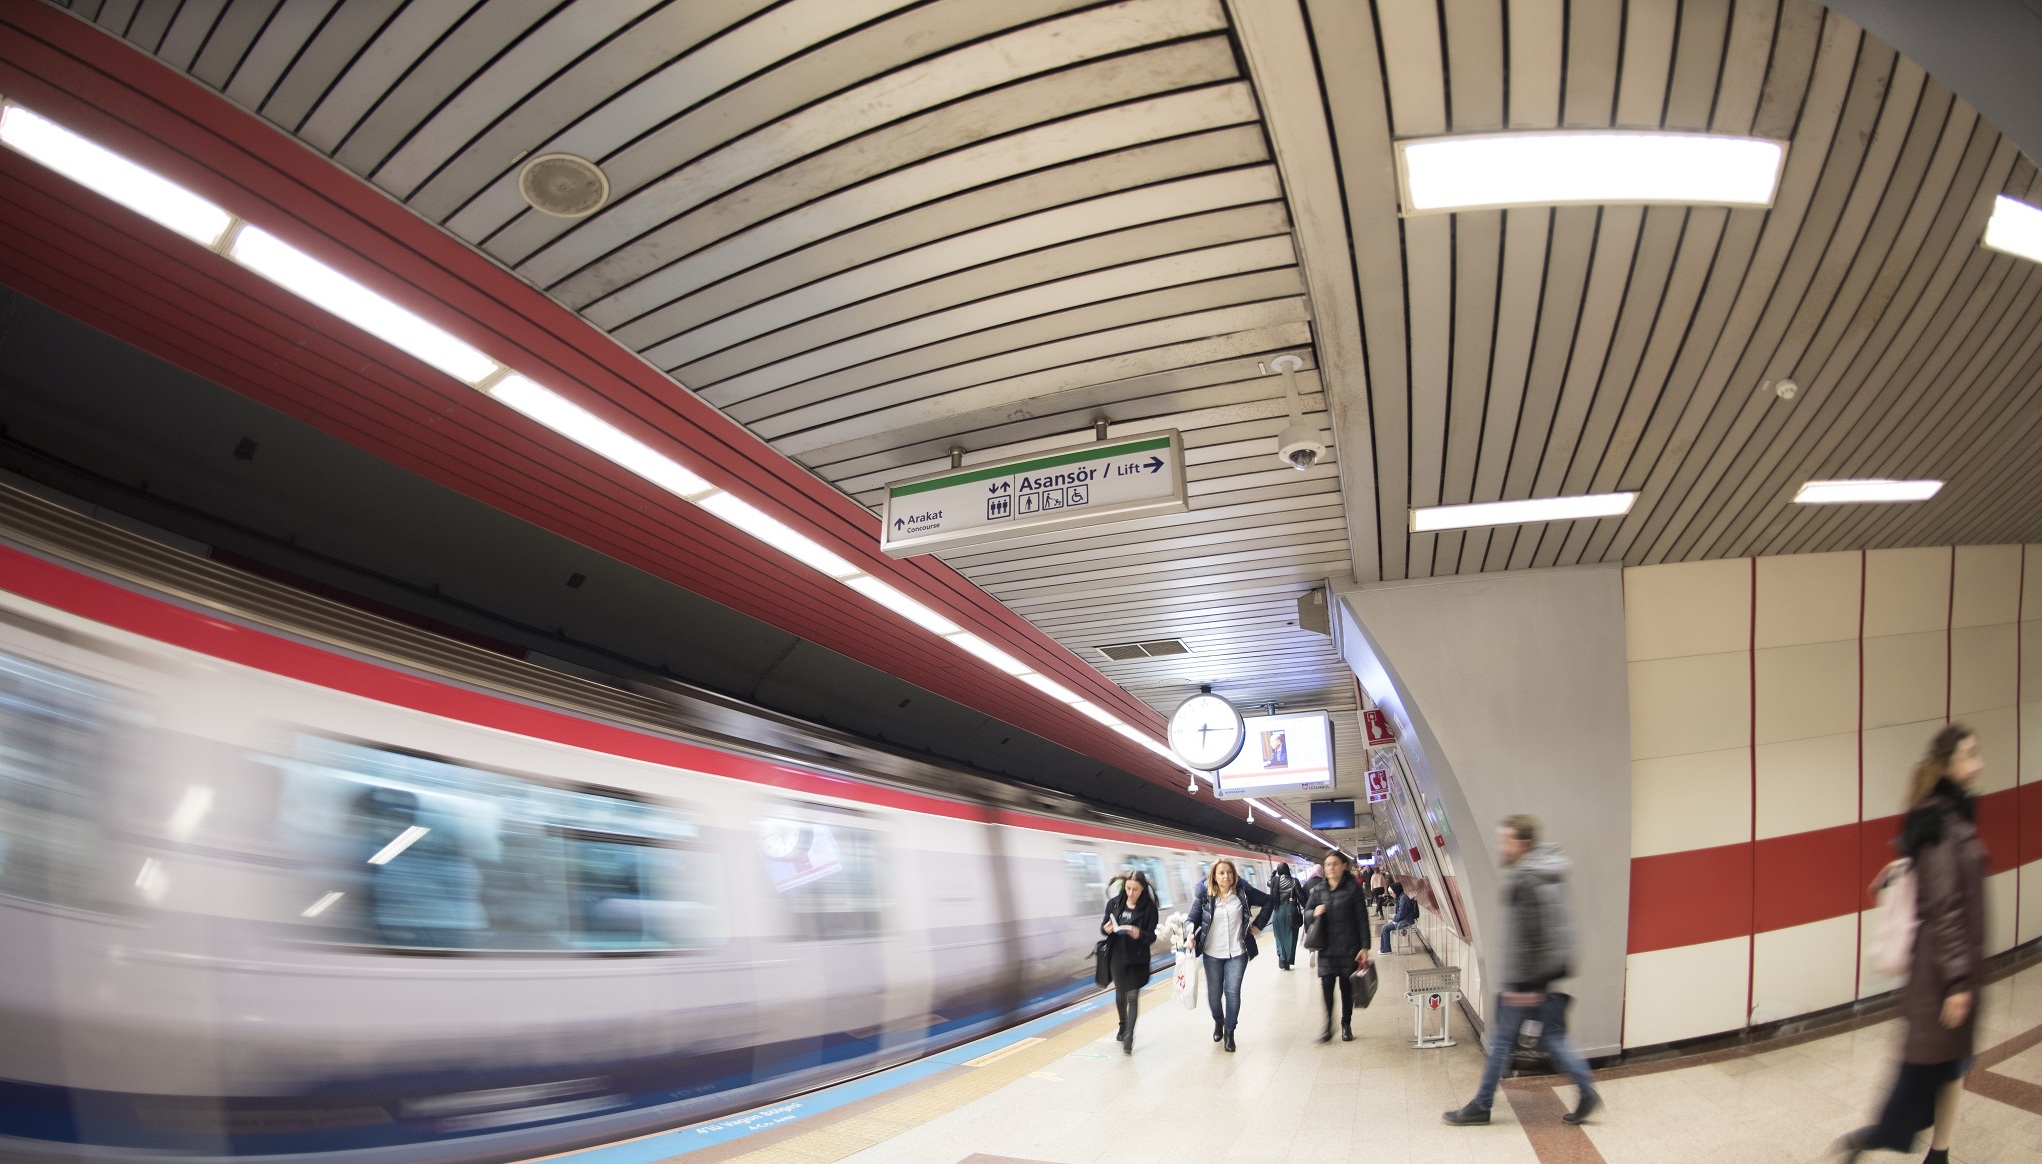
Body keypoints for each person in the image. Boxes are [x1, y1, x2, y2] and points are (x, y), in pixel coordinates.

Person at [1837, 725, 1987, 1164]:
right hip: (1942, 973)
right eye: (1969, 754)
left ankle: (1935, 1152)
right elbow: (1946, 907)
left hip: (1953, 968)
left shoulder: (1951, 817)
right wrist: (1957, 982)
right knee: (1927, 1073)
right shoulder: (1939, 821)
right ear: (1947, 764)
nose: (1978, 763)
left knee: (1948, 1067)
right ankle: (1875, 1139)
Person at [1444, 815, 1599, 1126]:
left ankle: (1482, 1105)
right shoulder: (1548, 873)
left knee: (1502, 1041)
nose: (1501, 846)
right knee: (1553, 1037)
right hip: (1543, 976)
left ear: (1523, 844)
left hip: (1526, 980)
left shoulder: (1526, 879)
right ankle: (1586, 1090)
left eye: (1507, 840)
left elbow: (1532, 937)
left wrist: (1523, 987)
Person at [1189, 858, 1275, 1052]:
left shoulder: (1243, 892)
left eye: (1229, 872)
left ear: (1234, 874)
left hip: (1238, 952)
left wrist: (1258, 925)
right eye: (1221, 873)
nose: (1226, 876)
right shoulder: (1205, 896)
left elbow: (1269, 900)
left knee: (1232, 993)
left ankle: (1229, 1032)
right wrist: (1189, 936)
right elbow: (1191, 919)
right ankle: (1218, 1021)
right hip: (1212, 954)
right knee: (1214, 995)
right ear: (1214, 876)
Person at [1304, 850, 1370, 1042]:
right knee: (1326, 987)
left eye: (1334, 864)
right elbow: (1307, 913)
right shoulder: (1318, 890)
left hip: (1349, 947)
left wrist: (1364, 947)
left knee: (1346, 988)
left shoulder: (1353, 889)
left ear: (1344, 866)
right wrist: (1314, 912)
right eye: (1327, 865)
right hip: (1326, 948)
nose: (1330, 868)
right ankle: (1327, 1027)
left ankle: (1346, 1024)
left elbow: (1362, 919)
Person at [1100, 869, 1158, 1055]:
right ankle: (1122, 1025)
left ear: (1143, 889)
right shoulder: (1114, 903)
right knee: (1120, 994)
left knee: (1132, 996)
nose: (1131, 893)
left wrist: (1139, 934)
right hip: (1117, 956)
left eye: (1135, 889)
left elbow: (1152, 936)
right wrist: (1107, 929)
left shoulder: (1149, 908)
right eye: (1128, 888)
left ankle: (1129, 1036)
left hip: (1137, 958)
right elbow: (1103, 927)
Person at [1268, 861, 1304, 970]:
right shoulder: (1294, 881)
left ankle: (1281, 954)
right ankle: (1287, 960)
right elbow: (1301, 897)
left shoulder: (1274, 881)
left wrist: (1273, 872)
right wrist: (1308, 907)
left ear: (1279, 871)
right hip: (1291, 911)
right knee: (1291, 937)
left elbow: (1268, 882)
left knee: (1279, 937)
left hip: (1277, 912)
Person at [1379, 881, 1419, 953]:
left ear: (1396, 891)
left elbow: (1401, 914)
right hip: (1404, 920)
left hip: (1405, 921)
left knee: (1385, 928)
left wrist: (1393, 920)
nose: (1391, 895)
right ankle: (1384, 949)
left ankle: (1386, 949)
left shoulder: (1403, 899)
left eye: (1391, 893)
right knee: (1385, 927)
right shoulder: (1401, 897)